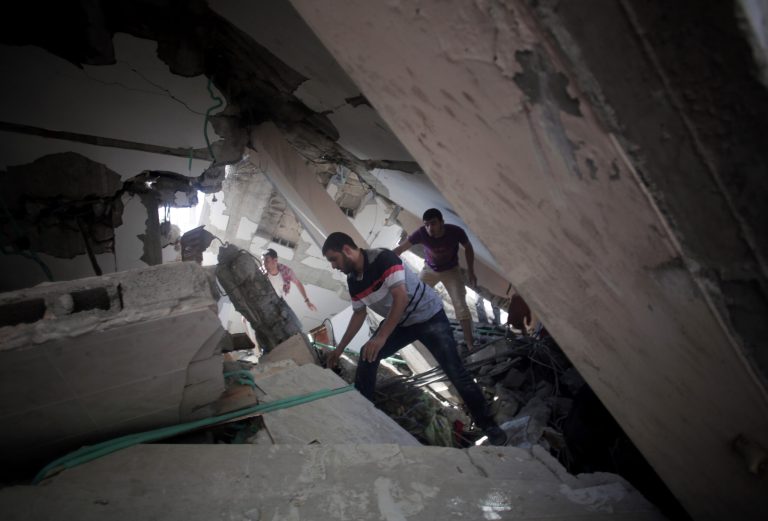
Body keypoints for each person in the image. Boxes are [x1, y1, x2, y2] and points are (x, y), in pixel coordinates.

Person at [322, 232, 507, 445]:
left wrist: (381, 337)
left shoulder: (382, 258)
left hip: (429, 317)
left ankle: (489, 426)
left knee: (456, 372)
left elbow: (400, 298)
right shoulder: (354, 281)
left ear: (347, 250)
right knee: (368, 355)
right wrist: (340, 349)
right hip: (401, 323)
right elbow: (358, 313)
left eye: (333, 259)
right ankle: (364, 415)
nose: (333, 265)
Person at [393, 208, 477, 350]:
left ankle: (470, 344)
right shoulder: (421, 233)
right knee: (413, 297)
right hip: (429, 270)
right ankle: (405, 331)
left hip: (451, 271)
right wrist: (385, 259)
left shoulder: (455, 231)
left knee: (460, 306)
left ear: (441, 222)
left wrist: (471, 270)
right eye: (426, 224)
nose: (429, 228)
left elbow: (468, 247)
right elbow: (401, 248)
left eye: (433, 223)